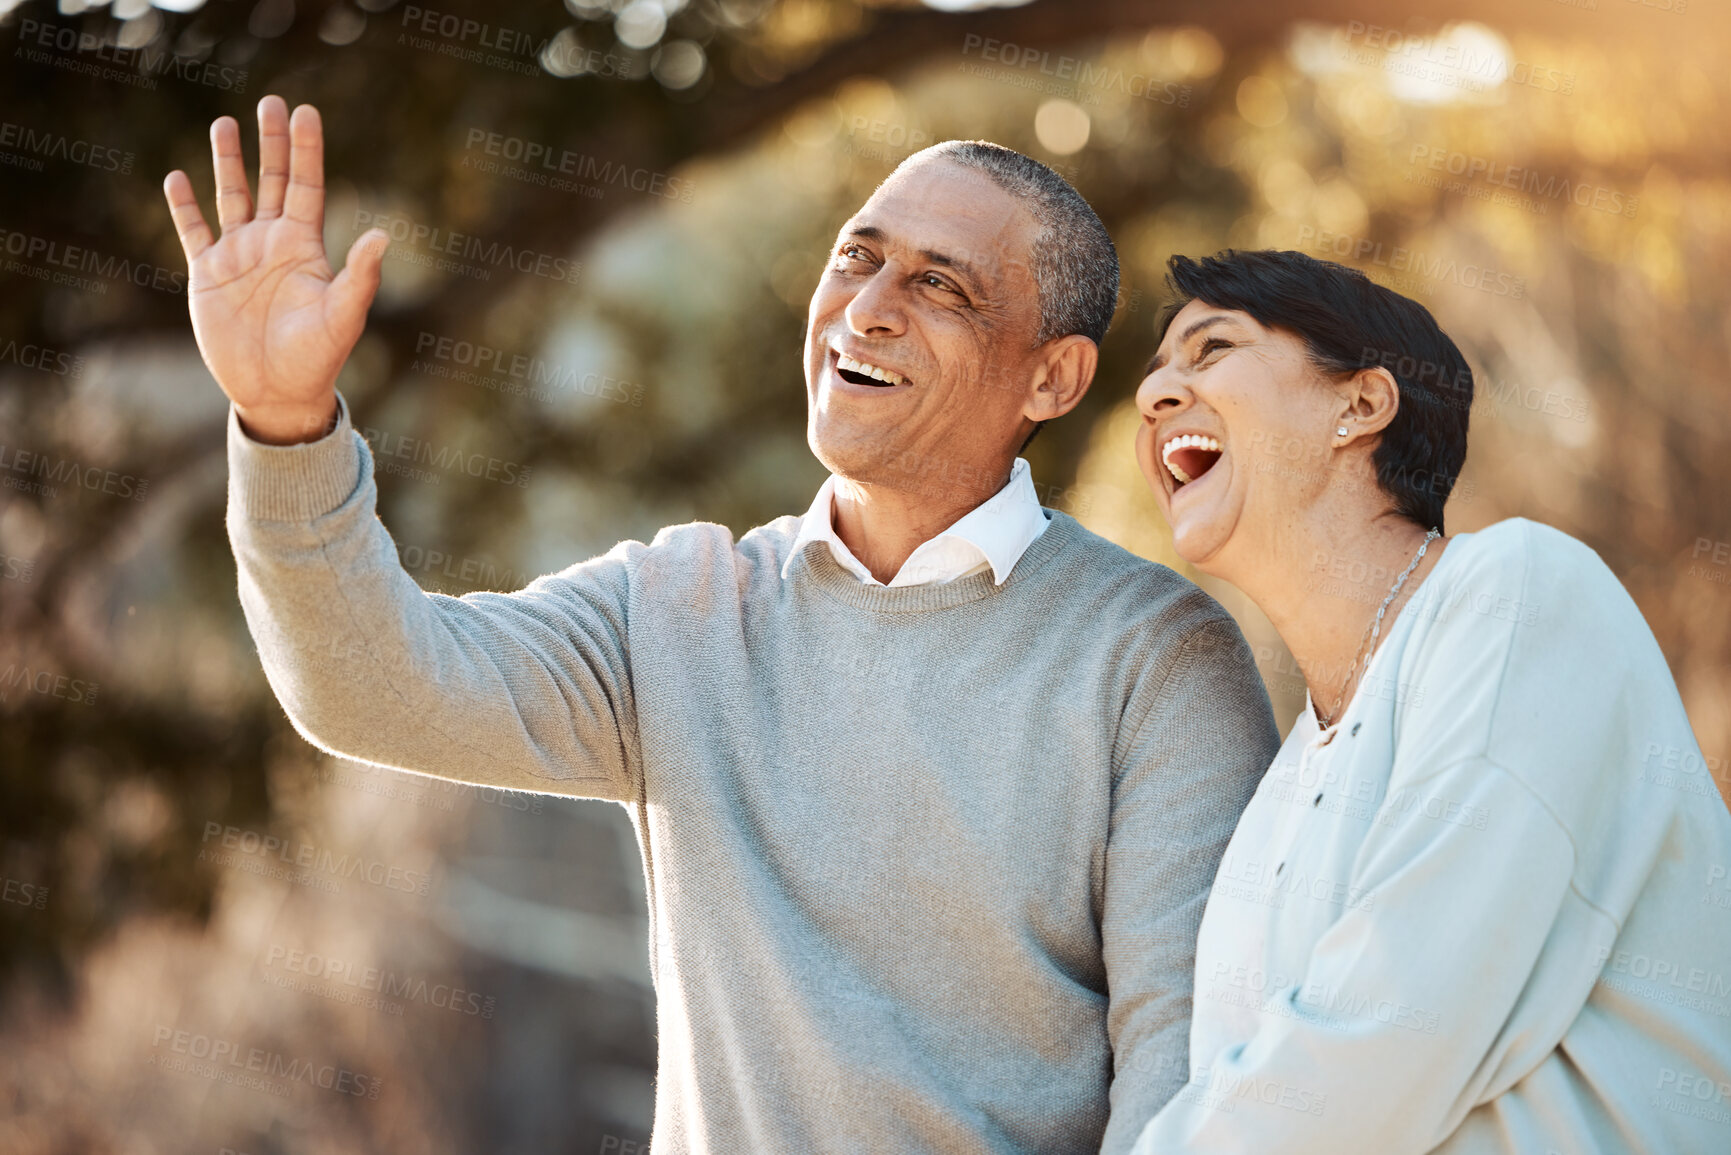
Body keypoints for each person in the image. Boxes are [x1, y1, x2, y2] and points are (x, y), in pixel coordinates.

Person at [161, 97, 1282, 1153]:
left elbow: (1183, 1078)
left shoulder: (1159, 659)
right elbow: (373, 687)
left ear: (1052, 377)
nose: (868, 306)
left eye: (943, 287)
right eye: (857, 254)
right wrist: (286, 423)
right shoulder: (681, 610)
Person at [1124, 248, 1731, 1154]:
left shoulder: (1519, 593)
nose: (1155, 396)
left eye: (1210, 351)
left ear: (1361, 404)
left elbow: (1388, 1028)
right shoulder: (1287, 778)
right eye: (1155, 372)